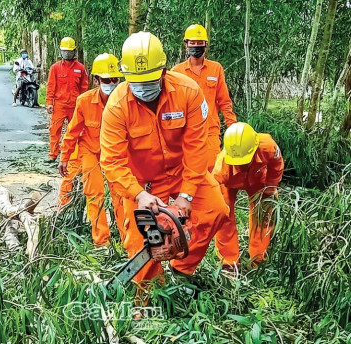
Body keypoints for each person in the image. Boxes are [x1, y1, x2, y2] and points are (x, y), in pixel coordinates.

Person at [100, 32, 229, 304]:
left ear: (163, 70)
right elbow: (112, 160)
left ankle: (183, 269)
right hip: (143, 183)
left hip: (184, 172)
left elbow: (197, 146)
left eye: (149, 80)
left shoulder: (187, 91)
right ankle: (150, 297)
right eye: (136, 81)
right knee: (143, 241)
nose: (143, 86)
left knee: (216, 209)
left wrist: (187, 195)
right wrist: (138, 194)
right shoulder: (117, 106)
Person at [59, 53, 125, 247]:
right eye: (106, 80)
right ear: (96, 81)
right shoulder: (85, 101)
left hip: (116, 154)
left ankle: (126, 240)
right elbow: (72, 132)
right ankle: (101, 241)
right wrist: (64, 157)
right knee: (95, 194)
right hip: (90, 151)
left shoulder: (125, 101)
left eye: (115, 80)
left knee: (121, 195)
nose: (111, 84)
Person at [212, 122, 284, 269]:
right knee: (224, 216)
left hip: (258, 179)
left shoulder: (267, 146)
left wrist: (271, 186)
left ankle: (258, 260)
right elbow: (213, 194)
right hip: (229, 182)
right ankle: (228, 263)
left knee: (262, 215)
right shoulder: (221, 169)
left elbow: (277, 165)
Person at [172, 24, 236, 171]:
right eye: (192, 43)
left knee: (213, 171)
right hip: (184, 132)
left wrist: (232, 127)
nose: (196, 46)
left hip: (210, 131)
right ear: (186, 44)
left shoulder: (216, 68)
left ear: (206, 45)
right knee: (185, 172)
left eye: (199, 43)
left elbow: (224, 101)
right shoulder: (176, 72)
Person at [46, 37, 89, 161]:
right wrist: (49, 103)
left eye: (69, 51)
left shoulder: (80, 68)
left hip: (75, 106)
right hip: (59, 105)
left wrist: (84, 104)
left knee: (75, 131)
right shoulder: (55, 68)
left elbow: (84, 87)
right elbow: (51, 86)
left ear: (74, 51)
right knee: (55, 130)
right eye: (65, 51)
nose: (67, 53)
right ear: (60, 51)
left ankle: (74, 156)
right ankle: (53, 154)